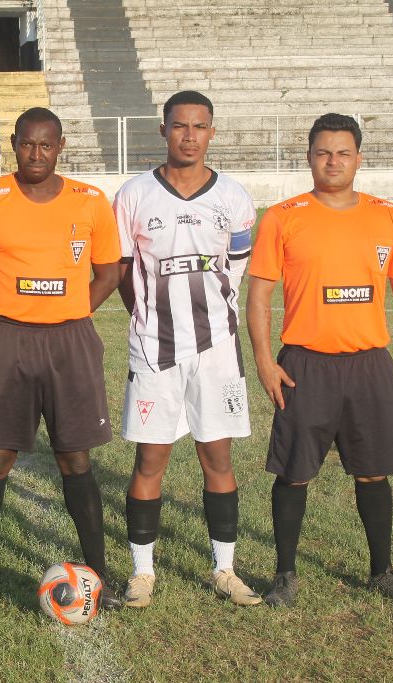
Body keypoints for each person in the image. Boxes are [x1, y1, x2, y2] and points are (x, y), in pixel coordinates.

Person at [246, 113, 393, 607]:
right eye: (323, 153)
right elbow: (260, 294)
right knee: (294, 472)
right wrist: (264, 360)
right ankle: (285, 575)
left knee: (374, 471)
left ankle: (381, 571)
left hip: (368, 366)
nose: (333, 161)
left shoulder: (387, 216)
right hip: (305, 366)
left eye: (343, 153)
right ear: (309, 157)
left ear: (358, 159)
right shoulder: (283, 217)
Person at [0, 107, 123, 615]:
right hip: (10, 342)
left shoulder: (90, 201)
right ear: (14, 143)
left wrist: (73, 312)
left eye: (46, 145)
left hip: (71, 342)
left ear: (61, 146)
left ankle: (100, 575)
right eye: (27, 144)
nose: (36, 154)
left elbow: (109, 273)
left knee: (76, 459)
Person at [114, 91, 262, 608]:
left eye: (200, 126)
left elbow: (236, 271)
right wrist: (148, 319)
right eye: (180, 126)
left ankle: (225, 569)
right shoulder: (134, 195)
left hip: (217, 350)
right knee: (150, 459)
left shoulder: (234, 197)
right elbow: (123, 273)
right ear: (163, 130)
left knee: (217, 455)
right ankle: (142, 573)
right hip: (155, 349)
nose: (190, 136)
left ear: (212, 132)